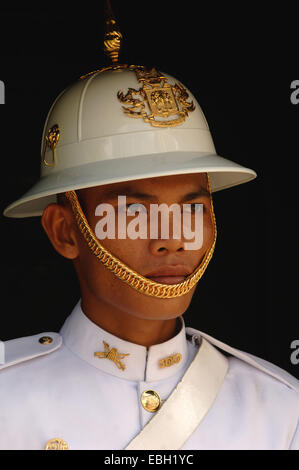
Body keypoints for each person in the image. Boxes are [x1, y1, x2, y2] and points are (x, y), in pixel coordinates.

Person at [0, 12, 298, 450]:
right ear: (65, 231)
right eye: (132, 211)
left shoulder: (279, 408)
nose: (172, 238)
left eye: (192, 208)